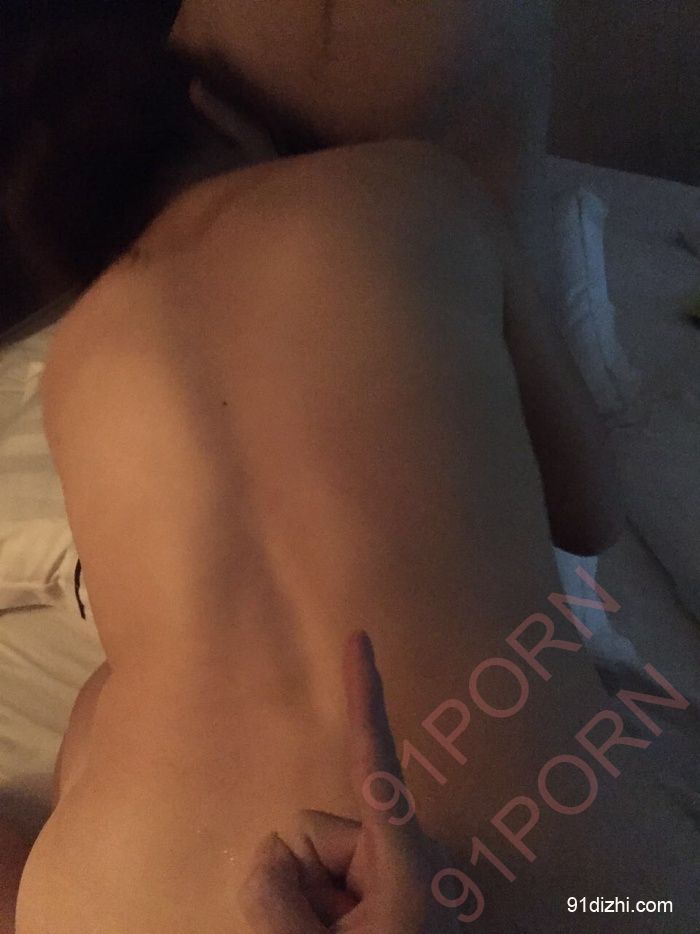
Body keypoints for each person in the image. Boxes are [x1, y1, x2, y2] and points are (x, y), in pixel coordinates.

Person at [3, 2, 694, 932]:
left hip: (108, 901)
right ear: (215, 108)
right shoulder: (411, 184)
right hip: (577, 887)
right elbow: (589, 512)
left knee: (109, 700)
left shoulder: (71, 366)